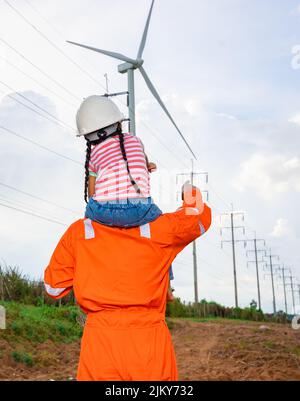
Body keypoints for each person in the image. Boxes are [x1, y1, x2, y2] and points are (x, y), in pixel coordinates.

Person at [44, 184, 212, 381]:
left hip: (99, 348)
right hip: (150, 348)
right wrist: (189, 190)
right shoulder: (161, 228)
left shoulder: (79, 232)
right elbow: (199, 216)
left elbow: (53, 288)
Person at [77, 95, 174, 301]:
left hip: (104, 211)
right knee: (163, 234)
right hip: (138, 209)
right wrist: (147, 166)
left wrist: (94, 212)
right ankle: (167, 285)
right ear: (118, 123)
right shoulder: (134, 140)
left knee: (87, 223)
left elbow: (92, 192)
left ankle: (96, 273)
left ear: (88, 136)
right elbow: (139, 162)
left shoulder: (94, 155)